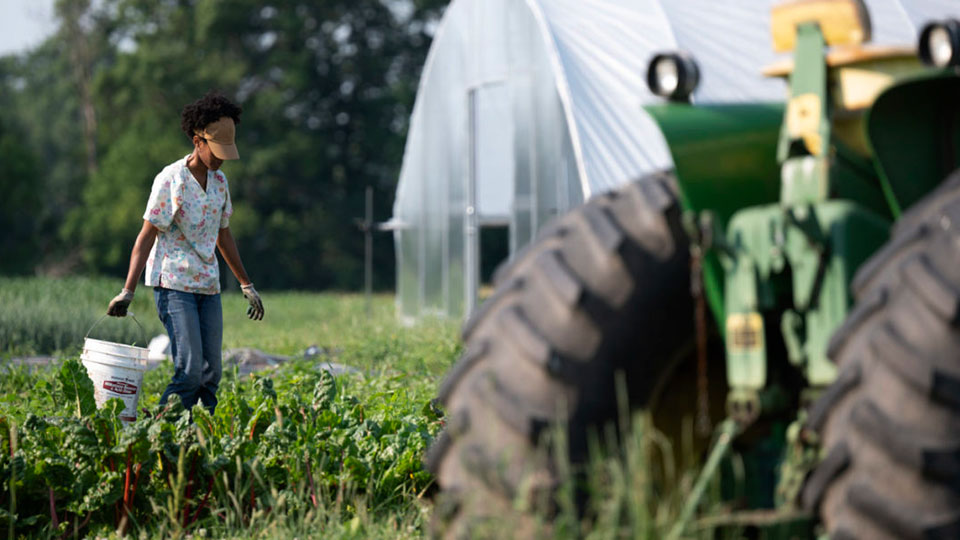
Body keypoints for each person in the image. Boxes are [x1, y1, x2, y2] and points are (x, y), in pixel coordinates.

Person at [106, 91, 264, 414]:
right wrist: (127, 291)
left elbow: (224, 236)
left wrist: (246, 284)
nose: (220, 160)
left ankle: (198, 441)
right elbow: (145, 237)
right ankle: (160, 431)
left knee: (211, 374)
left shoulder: (220, 183)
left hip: (208, 285)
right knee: (190, 370)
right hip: (174, 284)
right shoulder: (171, 180)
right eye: (216, 151)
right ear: (197, 141)